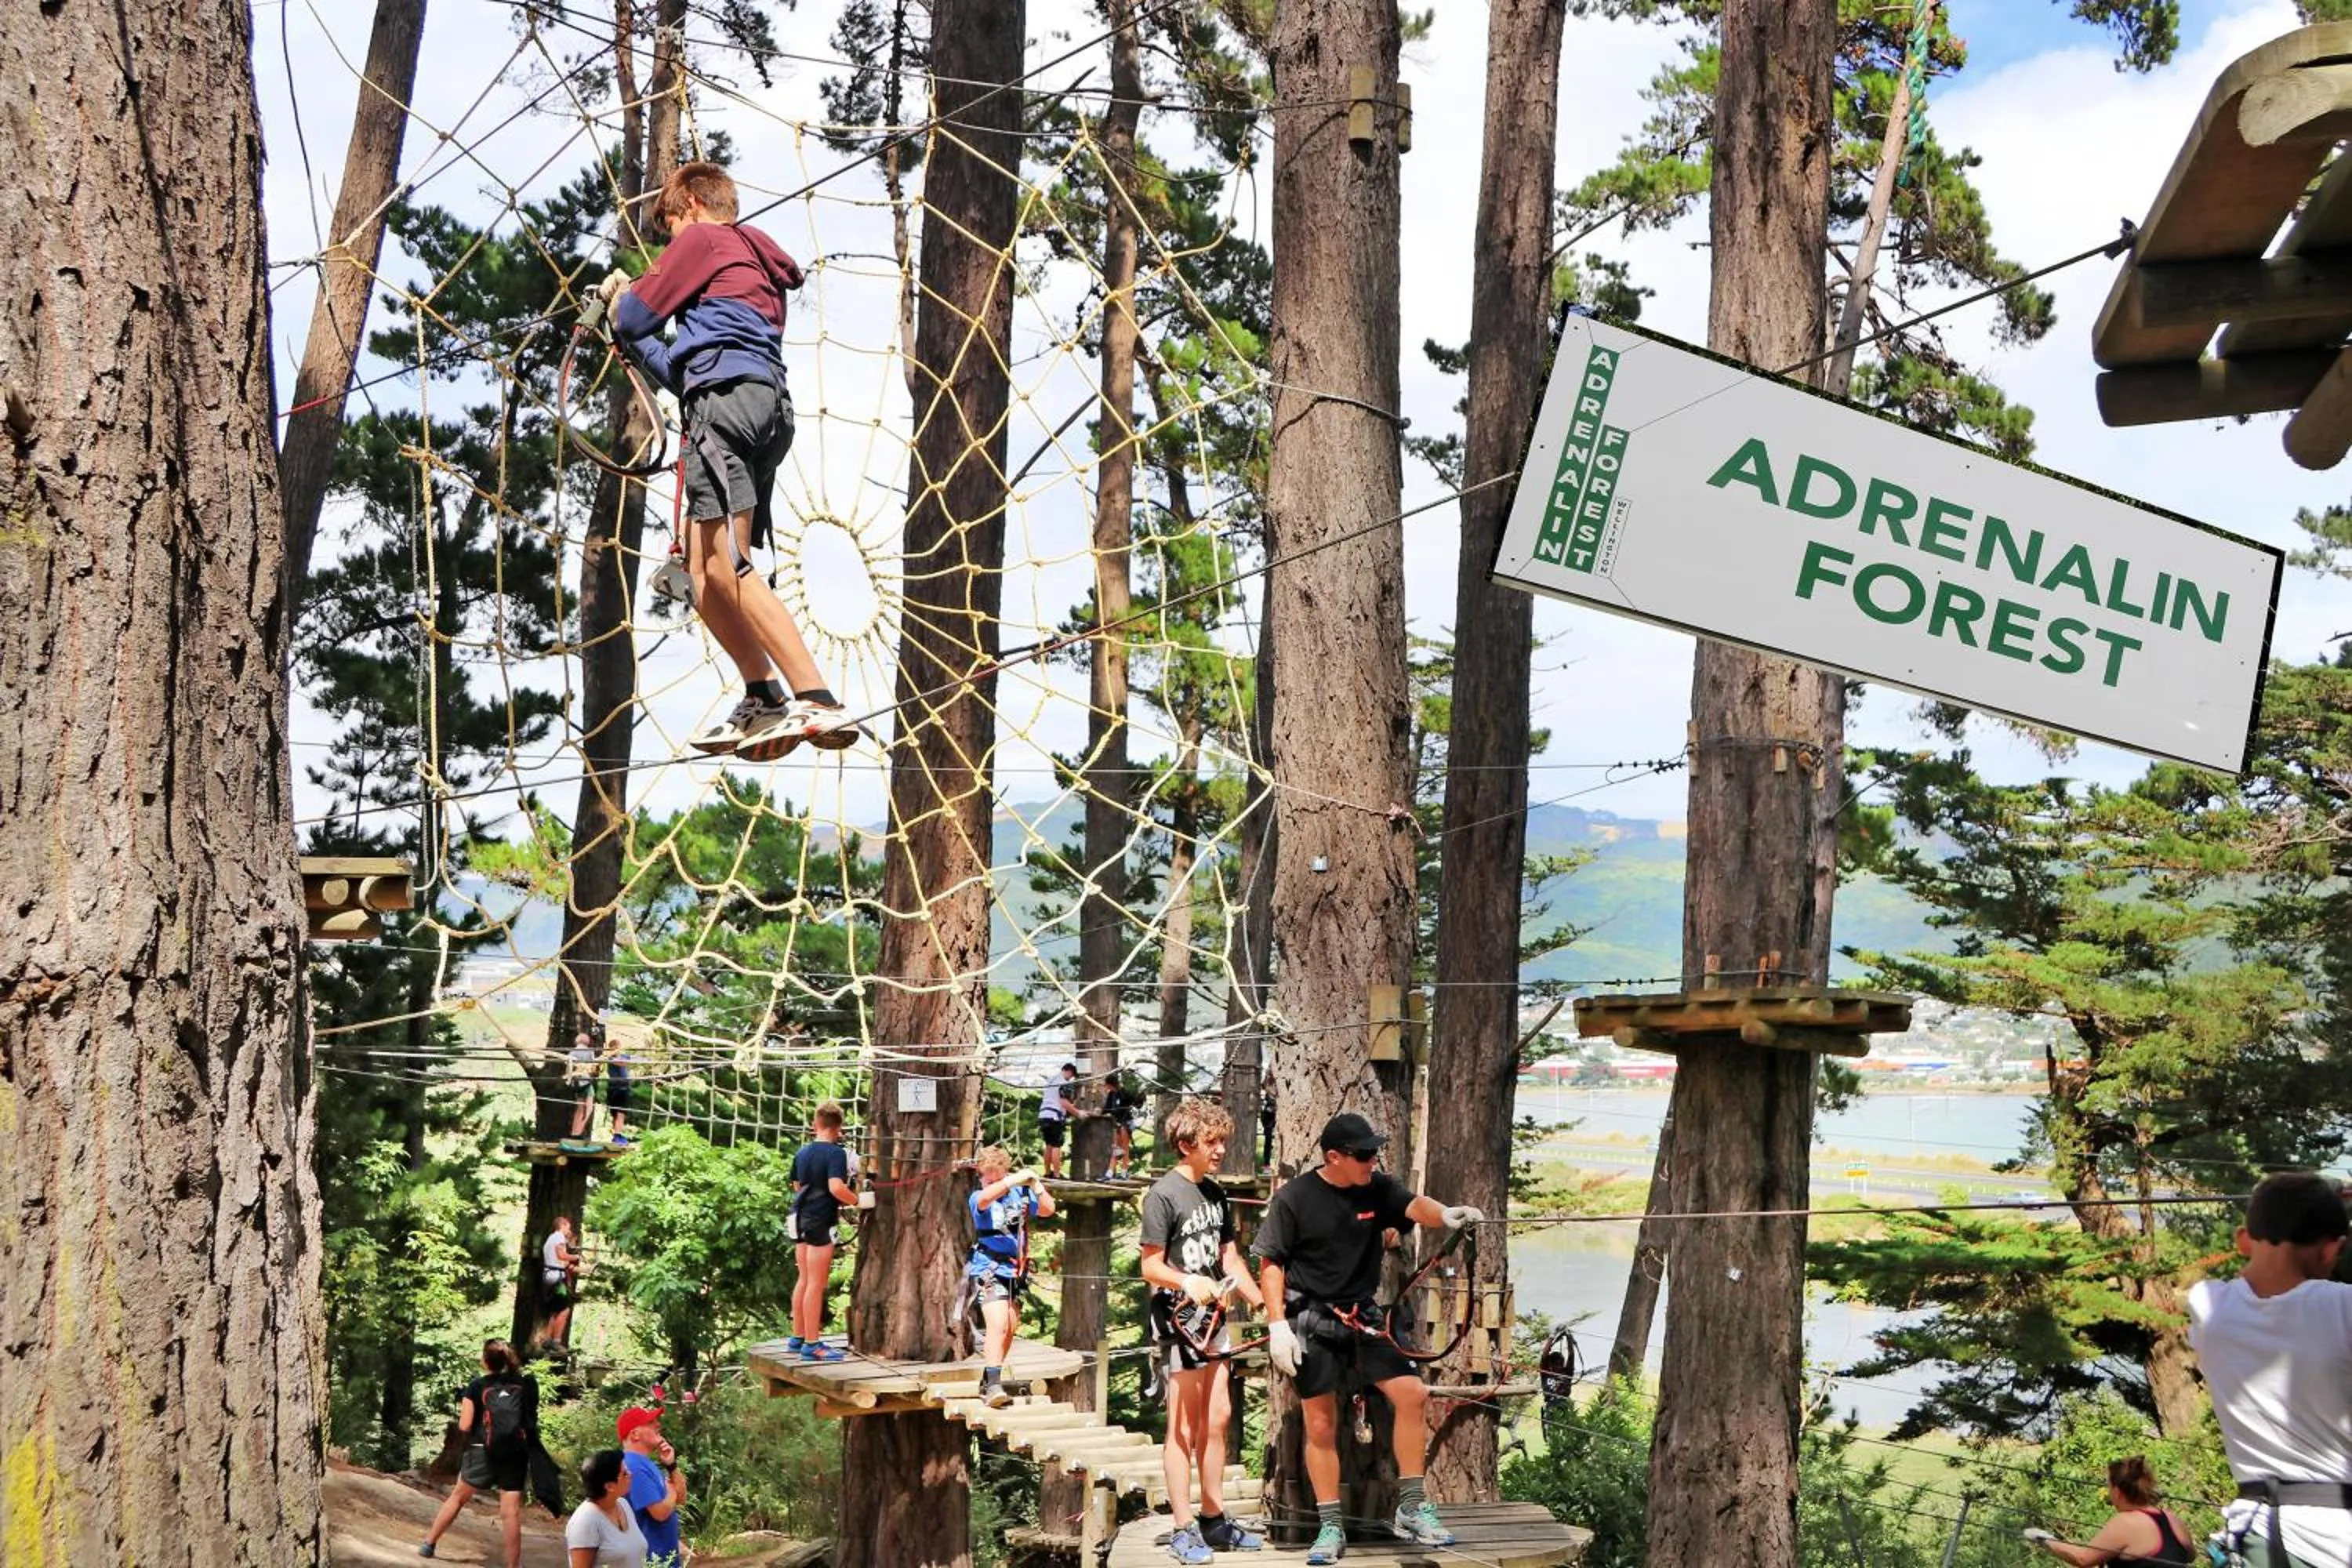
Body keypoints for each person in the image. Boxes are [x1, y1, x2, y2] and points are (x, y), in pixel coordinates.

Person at [598, 161, 859, 762]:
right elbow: (678, 369)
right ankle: (762, 693)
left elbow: (639, 314)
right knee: (701, 568)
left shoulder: (705, 238)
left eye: (669, 228)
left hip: (727, 409)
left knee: (729, 564)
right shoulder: (751, 265)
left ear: (690, 204)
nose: (670, 244)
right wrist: (631, 340)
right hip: (757, 406)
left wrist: (624, 306)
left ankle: (815, 697)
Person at [1252, 1112, 1484, 1563]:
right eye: (1363, 1154)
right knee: (1320, 1425)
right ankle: (1331, 1527)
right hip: (1311, 1322)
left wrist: (1448, 1216)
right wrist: (1277, 1325)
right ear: (1334, 1157)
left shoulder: (1376, 1187)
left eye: (1374, 1152)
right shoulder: (1296, 1198)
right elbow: (1271, 1264)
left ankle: (1413, 1508)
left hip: (1363, 1317)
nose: (1371, 1160)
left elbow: (1415, 1205)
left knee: (1412, 1393)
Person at [2187, 1171, 2352, 1568]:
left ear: (2243, 1240)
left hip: (2257, 1534)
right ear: (2332, 1250)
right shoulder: (2343, 1309)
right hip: (2337, 1542)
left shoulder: (2209, 1307)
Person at [1142, 1098, 1268, 1563]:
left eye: (1221, 1142)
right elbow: (1150, 1266)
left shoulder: (1216, 1194)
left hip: (1215, 1323)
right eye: (1210, 1142)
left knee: (1217, 1419)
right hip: (1179, 1322)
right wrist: (1187, 1280)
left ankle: (1214, 1519)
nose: (1219, 1151)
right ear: (1185, 1144)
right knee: (1183, 1426)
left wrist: (1265, 1305)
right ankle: (1182, 1526)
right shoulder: (1163, 1195)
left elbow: (1230, 1257)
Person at [419, 1340, 539, 1566]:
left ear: (486, 1362)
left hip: (481, 1451)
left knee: (458, 1497)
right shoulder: (525, 1385)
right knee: (510, 1511)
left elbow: (464, 1425)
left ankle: (429, 1544)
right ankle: (513, 1565)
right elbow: (530, 1419)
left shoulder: (477, 1386)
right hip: (515, 1453)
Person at [968, 1144, 1056, 1409]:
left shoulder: (1020, 1194)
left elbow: (1048, 1209)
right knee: (998, 1324)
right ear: (981, 1176)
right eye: (989, 1178)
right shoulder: (978, 1198)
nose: (994, 1183)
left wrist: (1036, 1185)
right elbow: (985, 1200)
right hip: (989, 1267)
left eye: (998, 1176)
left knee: (1009, 1328)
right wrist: (1008, 1181)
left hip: (1015, 1269)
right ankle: (994, 1385)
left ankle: (988, 1379)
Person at [2021, 1457, 2194, 1566]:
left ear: (2118, 1492)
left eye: (2109, 1487)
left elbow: (2083, 1558)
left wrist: (2044, 1540)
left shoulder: (2126, 1522)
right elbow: (2189, 1557)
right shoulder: (2172, 1519)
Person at [788, 1100, 859, 1361]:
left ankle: (797, 1337)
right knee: (816, 1284)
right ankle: (812, 1344)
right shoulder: (835, 1154)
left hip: (799, 1216)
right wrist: (857, 1201)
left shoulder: (802, 1153)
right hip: (820, 1220)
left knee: (804, 1279)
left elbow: (797, 1185)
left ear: (815, 1125)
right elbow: (836, 1187)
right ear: (839, 1128)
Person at [616, 1406, 688, 1568]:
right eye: (650, 1422)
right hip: (650, 1562)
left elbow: (682, 1498)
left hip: (663, 1561)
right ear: (634, 1434)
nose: (658, 1425)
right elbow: (660, 1513)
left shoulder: (646, 1464)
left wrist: (671, 1466)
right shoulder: (633, 1466)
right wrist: (671, 1493)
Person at [566, 1448, 649, 1568]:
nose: (630, 1474)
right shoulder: (585, 1521)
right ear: (610, 1486)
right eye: (624, 1473)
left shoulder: (623, 1505)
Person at [543, 1214, 584, 1349]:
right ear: (563, 1225)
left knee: (555, 1309)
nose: (568, 1231)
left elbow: (562, 1261)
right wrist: (576, 1256)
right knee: (564, 1309)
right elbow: (561, 1255)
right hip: (556, 1277)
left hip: (551, 1275)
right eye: (568, 1228)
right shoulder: (559, 1237)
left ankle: (547, 1339)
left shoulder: (550, 1239)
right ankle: (556, 1341)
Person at [1039, 1062, 1077, 1179]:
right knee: (1056, 1145)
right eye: (1071, 1076)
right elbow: (1063, 1102)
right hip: (1055, 1116)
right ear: (1069, 1071)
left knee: (1048, 1144)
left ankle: (1047, 1172)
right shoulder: (1063, 1083)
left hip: (1044, 1115)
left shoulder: (1051, 1080)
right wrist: (1077, 1113)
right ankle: (1056, 1174)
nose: (1071, 1079)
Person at [1103, 1072, 1142, 1179]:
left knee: (1124, 1148)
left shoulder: (1123, 1093)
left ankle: (1124, 1172)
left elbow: (1136, 1102)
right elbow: (1107, 1108)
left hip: (1126, 1122)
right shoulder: (1111, 1095)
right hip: (1117, 1124)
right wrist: (1100, 1111)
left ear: (1111, 1084)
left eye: (1106, 1084)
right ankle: (1110, 1173)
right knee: (1116, 1148)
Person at [566, 1030, 601, 1140]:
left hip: (576, 1083)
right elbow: (593, 1068)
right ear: (587, 1041)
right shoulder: (589, 1052)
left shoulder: (572, 1053)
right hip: (586, 1082)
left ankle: (574, 1132)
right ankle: (580, 1131)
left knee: (580, 1108)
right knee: (589, 1108)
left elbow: (568, 1067)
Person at [604, 1044, 636, 1144]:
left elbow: (633, 1059)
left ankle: (617, 1134)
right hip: (616, 1088)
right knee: (617, 1113)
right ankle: (617, 1135)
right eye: (614, 1048)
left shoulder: (623, 1056)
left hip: (624, 1088)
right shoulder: (610, 1058)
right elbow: (622, 1063)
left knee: (621, 1113)